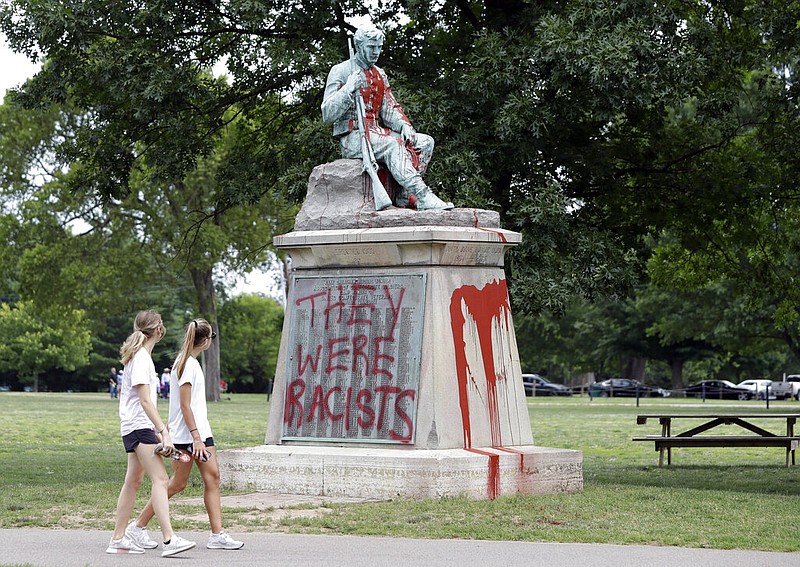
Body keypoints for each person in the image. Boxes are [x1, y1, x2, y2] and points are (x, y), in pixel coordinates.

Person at [129, 318, 244, 551]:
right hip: (188, 437)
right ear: (205, 340)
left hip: (200, 432)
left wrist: (200, 436)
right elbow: (185, 405)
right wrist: (196, 439)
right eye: (211, 337)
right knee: (177, 484)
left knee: (213, 478)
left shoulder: (190, 363)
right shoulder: (186, 365)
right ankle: (137, 526)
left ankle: (217, 535)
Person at [322, 26, 454, 211]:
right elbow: (327, 114)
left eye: (379, 47)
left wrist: (404, 126)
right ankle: (423, 196)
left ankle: (404, 196)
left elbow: (390, 107)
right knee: (393, 144)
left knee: (425, 142)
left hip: (376, 132)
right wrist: (348, 89)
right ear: (359, 46)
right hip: (353, 137)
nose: (376, 52)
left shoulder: (379, 74)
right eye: (371, 47)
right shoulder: (341, 71)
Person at [106, 310, 196, 557]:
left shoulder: (139, 357)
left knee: (133, 481)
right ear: (158, 330)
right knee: (161, 479)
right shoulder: (142, 359)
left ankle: (118, 539)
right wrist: (163, 432)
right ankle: (169, 540)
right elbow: (145, 401)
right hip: (138, 427)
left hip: (135, 427)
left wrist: (155, 433)